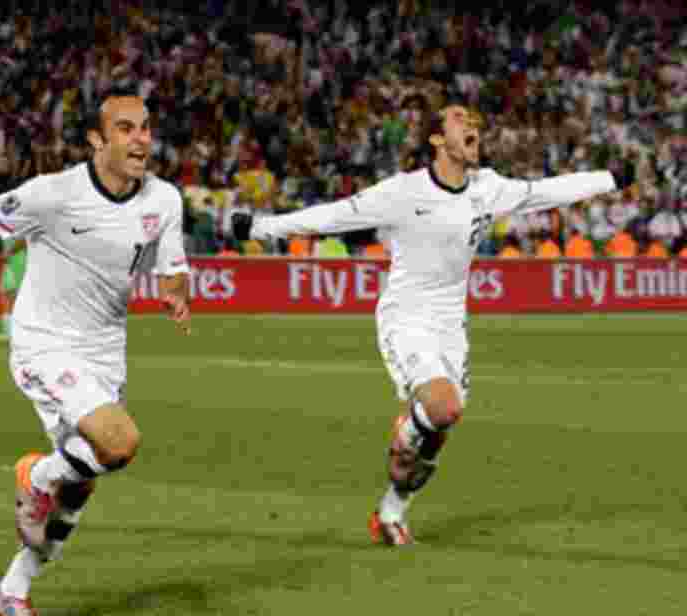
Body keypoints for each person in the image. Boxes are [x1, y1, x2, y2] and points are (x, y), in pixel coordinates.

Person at [229, 103, 633, 545]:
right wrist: (262, 227)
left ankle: (391, 511)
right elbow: (335, 215)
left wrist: (610, 178)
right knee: (442, 409)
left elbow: (546, 191)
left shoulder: (488, 187)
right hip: (407, 315)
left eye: (476, 120)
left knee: (439, 428)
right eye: (462, 119)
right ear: (438, 140)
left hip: (450, 324)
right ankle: (405, 433)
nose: (474, 123)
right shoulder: (405, 192)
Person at [0, 90, 190, 616]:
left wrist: (176, 290)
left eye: (146, 127)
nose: (141, 139)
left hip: (105, 351)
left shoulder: (164, 200)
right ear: (97, 141)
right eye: (126, 129)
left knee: (84, 480)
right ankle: (36, 473)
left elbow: (174, 266)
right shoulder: (54, 194)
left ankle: (12, 592)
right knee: (119, 440)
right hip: (45, 342)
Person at [0, 237, 27, 342]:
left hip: (17, 260)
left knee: (11, 296)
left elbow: (23, 240)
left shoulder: (17, 225)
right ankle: (9, 332)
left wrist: (9, 252)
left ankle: (12, 333)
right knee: (6, 295)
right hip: (11, 261)